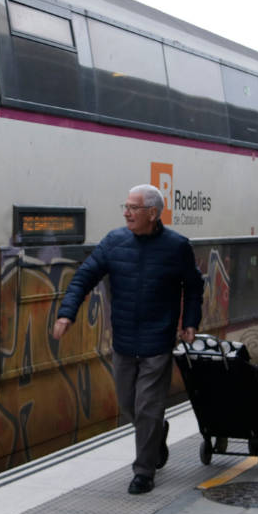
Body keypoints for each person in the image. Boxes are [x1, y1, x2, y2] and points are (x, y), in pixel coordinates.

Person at [52, 184, 203, 495]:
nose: (126, 212)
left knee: (148, 406)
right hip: (123, 340)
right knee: (128, 405)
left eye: (133, 207)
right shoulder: (114, 242)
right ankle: (157, 433)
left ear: (152, 213)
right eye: (125, 206)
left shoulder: (177, 246)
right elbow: (84, 276)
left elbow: (194, 285)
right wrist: (67, 313)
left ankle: (143, 471)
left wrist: (190, 322)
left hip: (157, 341)